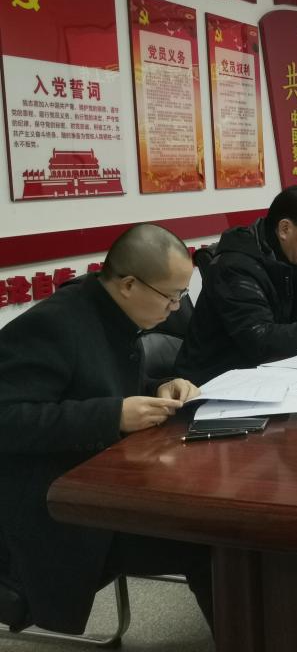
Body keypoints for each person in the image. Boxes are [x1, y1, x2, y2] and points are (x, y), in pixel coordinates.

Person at [0, 224, 214, 634]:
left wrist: (159, 388)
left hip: (103, 477)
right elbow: (8, 419)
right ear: (129, 284)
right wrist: (112, 415)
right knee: (203, 538)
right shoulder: (56, 324)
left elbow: (96, 385)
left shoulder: (113, 314)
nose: (175, 308)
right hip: (54, 507)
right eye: (171, 296)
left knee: (217, 526)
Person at [176, 186, 297, 384]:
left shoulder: (289, 257)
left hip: (265, 374)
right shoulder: (235, 267)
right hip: (214, 382)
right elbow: (262, 340)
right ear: (285, 229)